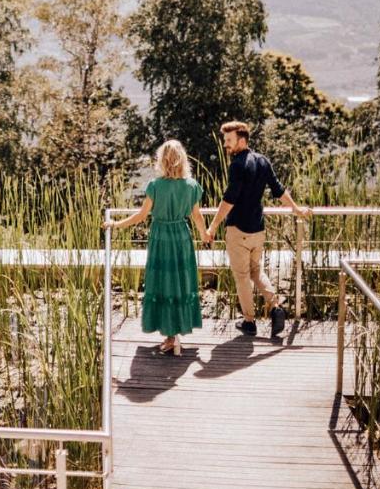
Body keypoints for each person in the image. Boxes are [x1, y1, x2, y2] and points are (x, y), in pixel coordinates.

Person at [202, 120, 312, 336]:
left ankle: (249, 322)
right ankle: (276, 306)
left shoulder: (237, 165)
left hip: (238, 230)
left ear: (242, 140)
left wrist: (213, 226)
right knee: (256, 271)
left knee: (242, 276)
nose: (226, 145)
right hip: (258, 230)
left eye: (229, 140)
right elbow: (279, 190)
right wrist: (297, 209)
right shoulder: (263, 161)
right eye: (225, 140)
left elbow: (229, 199)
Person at [114, 140, 206, 356]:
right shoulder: (191, 185)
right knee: (180, 282)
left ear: (161, 160)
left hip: (161, 236)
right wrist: (205, 234)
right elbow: (197, 216)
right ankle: (176, 332)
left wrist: (116, 224)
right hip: (182, 236)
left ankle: (170, 335)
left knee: (163, 282)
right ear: (182, 159)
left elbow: (141, 216)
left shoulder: (155, 186)